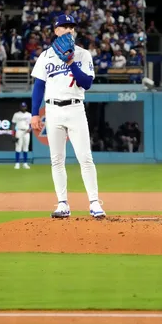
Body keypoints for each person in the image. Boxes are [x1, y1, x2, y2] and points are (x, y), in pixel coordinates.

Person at [30, 14, 106, 219]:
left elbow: (86, 83)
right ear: (56, 31)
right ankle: (62, 204)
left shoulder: (83, 54)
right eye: (64, 27)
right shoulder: (45, 56)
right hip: (52, 110)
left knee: (85, 158)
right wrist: (34, 114)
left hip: (75, 109)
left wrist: (71, 61)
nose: (69, 30)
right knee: (56, 160)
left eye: (72, 27)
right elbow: (38, 86)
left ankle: (94, 203)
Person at [11, 102, 32, 169]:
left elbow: (31, 124)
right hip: (19, 131)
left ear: (26, 107)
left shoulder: (29, 115)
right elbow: (13, 124)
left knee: (26, 148)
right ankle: (17, 163)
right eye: (22, 106)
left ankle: (25, 163)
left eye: (24, 106)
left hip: (26, 132)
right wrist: (13, 134)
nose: (23, 107)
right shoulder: (16, 114)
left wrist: (30, 128)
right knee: (18, 147)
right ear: (20, 107)